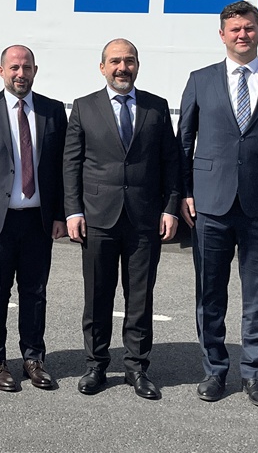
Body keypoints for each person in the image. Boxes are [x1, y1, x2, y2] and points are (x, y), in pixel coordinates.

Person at [178, 0, 258, 409]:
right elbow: (183, 143)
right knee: (209, 295)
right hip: (210, 206)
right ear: (222, 35)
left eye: (249, 28)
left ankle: (253, 373)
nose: (242, 35)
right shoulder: (200, 80)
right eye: (234, 29)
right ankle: (214, 371)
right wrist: (184, 193)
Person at [63, 38, 182, 399]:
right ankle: (96, 365)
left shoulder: (156, 107)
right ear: (102, 67)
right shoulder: (84, 107)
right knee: (97, 296)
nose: (122, 68)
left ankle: (137, 367)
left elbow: (171, 162)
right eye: (115, 61)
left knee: (140, 298)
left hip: (144, 218)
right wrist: (73, 210)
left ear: (137, 66)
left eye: (129, 61)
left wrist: (170, 208)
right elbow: (71, 164)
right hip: (97, 218)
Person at [0, 45, 68, 392]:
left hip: (39, 219)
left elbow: (61, 168)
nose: (20, 74)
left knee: (35, 292)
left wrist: (61, 214)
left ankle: (34, 359)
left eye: (26, 67)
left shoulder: (53, 111)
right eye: (14, 68)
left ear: (35, 70)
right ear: (1, 71)